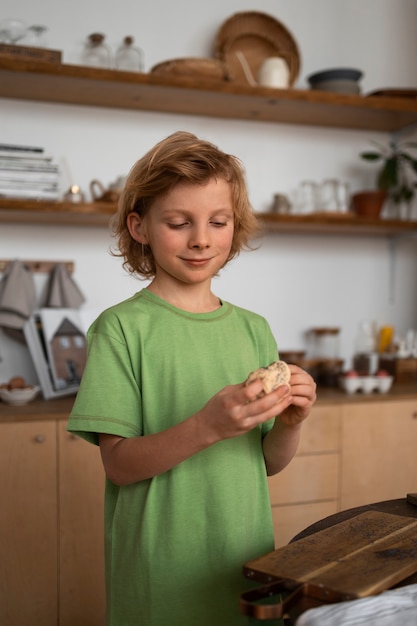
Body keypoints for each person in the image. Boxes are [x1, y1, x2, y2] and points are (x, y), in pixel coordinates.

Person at [67, 131, 317, 626]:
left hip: (244, 562)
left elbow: (266, 464)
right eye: (179, 223)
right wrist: (207, 426)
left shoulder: (254, 328)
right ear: (140, 228)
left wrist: (290, 423)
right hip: (159, 574)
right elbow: (118, 464)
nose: (202, 238)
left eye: (218, 222)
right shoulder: (121, 329)